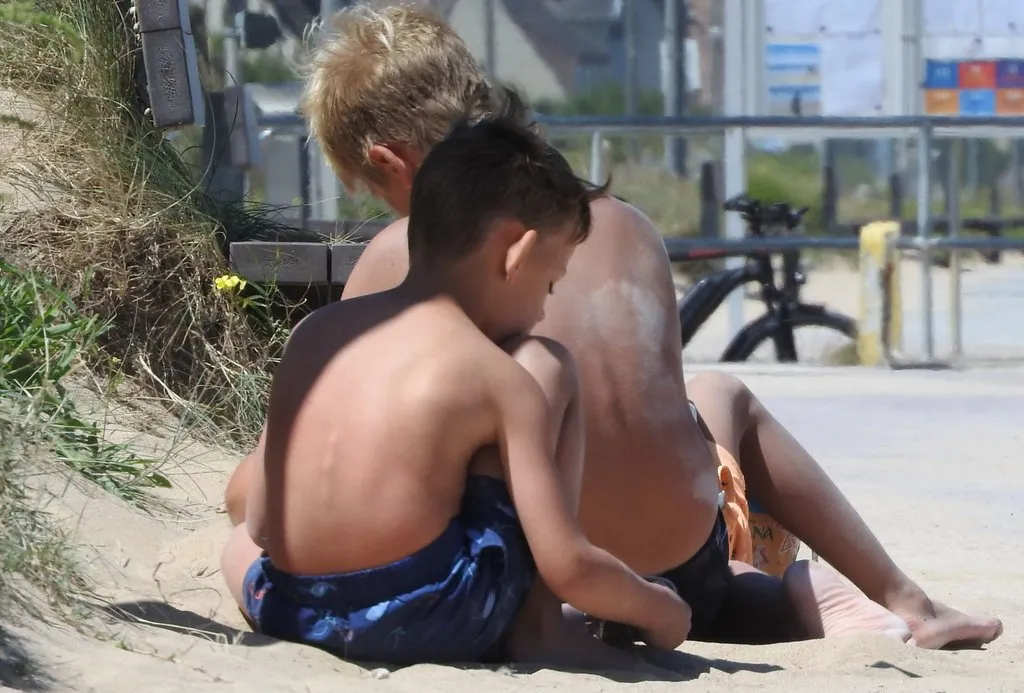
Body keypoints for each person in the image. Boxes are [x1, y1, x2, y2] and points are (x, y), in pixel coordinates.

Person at [226, 3, 1001, 650]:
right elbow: (649, 402)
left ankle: (759, 594)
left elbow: (268, 486)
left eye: (374, 192)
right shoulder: (626, 225)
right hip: (678, 554)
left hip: (536, 571)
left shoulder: (398, 258)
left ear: (391, 163)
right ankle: (904, 598)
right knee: (721, 397)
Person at [219, 114, 692, 668]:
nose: (543, 310)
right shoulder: (499, 378)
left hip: (291, 610)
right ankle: (542, 625)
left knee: (237, 547)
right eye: (550, 282)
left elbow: (262, 524)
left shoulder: (312, 334)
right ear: (516, 254)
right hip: (433, 620)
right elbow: (570, 567)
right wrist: (662, 610)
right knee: (550, 361)